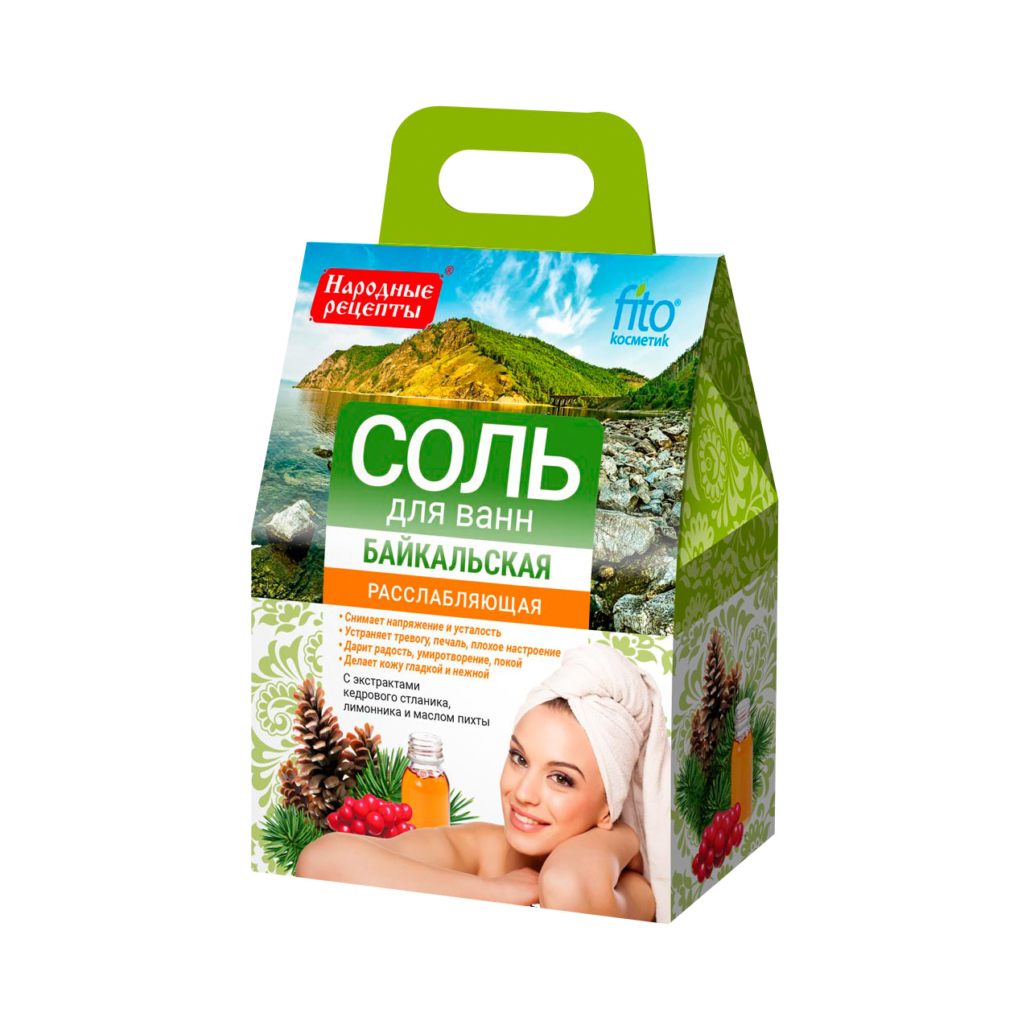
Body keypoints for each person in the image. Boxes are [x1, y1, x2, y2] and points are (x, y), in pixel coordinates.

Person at [296, 642, 671, 921]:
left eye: (561, 778)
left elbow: (566, 887)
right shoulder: (483, 848)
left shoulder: (628, 888)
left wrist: (622, 835)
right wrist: (490, 891)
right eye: (520, 758)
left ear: (609, 803)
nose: (522, 793)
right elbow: (321, 861)